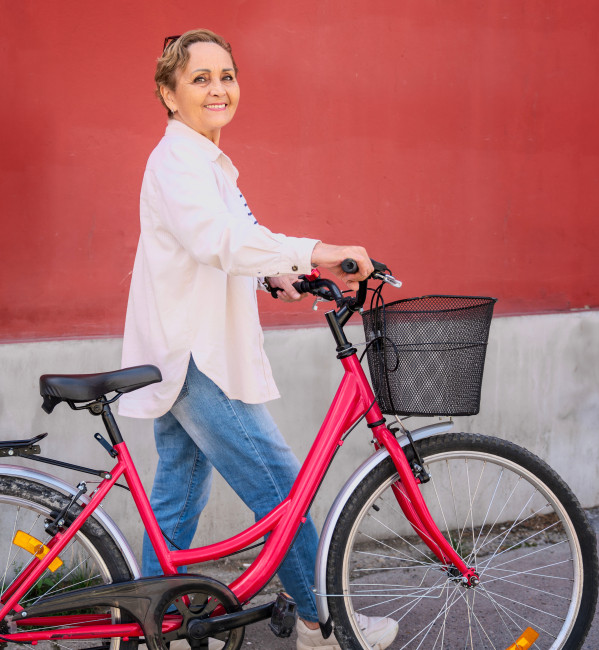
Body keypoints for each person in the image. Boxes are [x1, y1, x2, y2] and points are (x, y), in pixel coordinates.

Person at [120, 29, 398, 650]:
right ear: (168, 93)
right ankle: (322, 624)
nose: (218, 88)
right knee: (280, 487)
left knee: (176, 495)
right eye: (199, 78)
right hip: (197, 357)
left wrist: (286, 274)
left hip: (185, 351)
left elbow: (239, 230)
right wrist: (319, 251)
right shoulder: (177, 162)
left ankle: (145, 628)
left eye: (226, 75)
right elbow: (216, 242)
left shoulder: (206, 161)